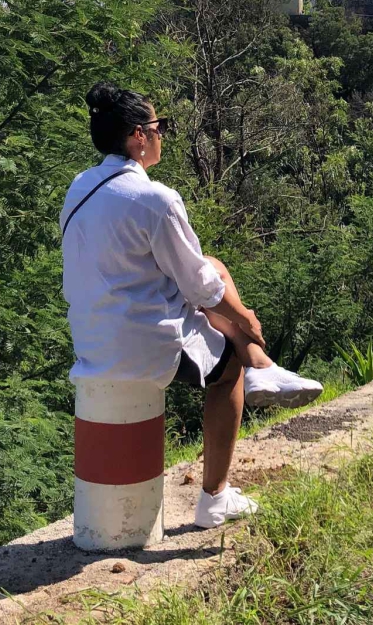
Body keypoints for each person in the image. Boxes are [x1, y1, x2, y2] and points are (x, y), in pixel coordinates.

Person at [61, 82, 323, 529]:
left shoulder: (80, 187)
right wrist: (246, 320)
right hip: (141, 342)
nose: (163, 135)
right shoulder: (155, 198)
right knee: (228, 371)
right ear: (138, 136)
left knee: (214, 268)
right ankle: (215, 497)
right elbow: (199, 286)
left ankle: (262, 366)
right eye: (160, 127)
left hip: (92, 336)